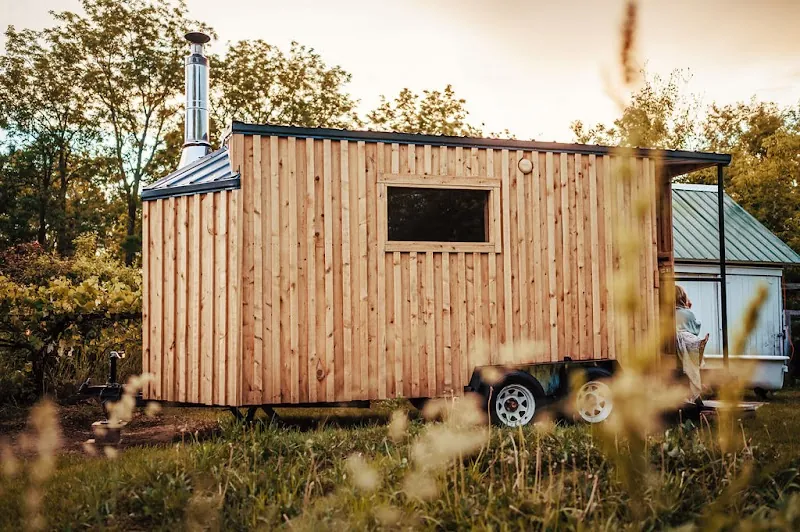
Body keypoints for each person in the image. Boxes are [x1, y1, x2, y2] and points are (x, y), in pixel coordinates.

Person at [675, 285, 709, 407]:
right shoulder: (687, 313)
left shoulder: (667, 313)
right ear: (682, 297)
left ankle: (696, 346)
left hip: (675, 345)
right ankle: (698, 347)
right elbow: (695, 328)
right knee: (691, 340)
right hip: (685, 344)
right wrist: (689, 309)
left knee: (687, 342)